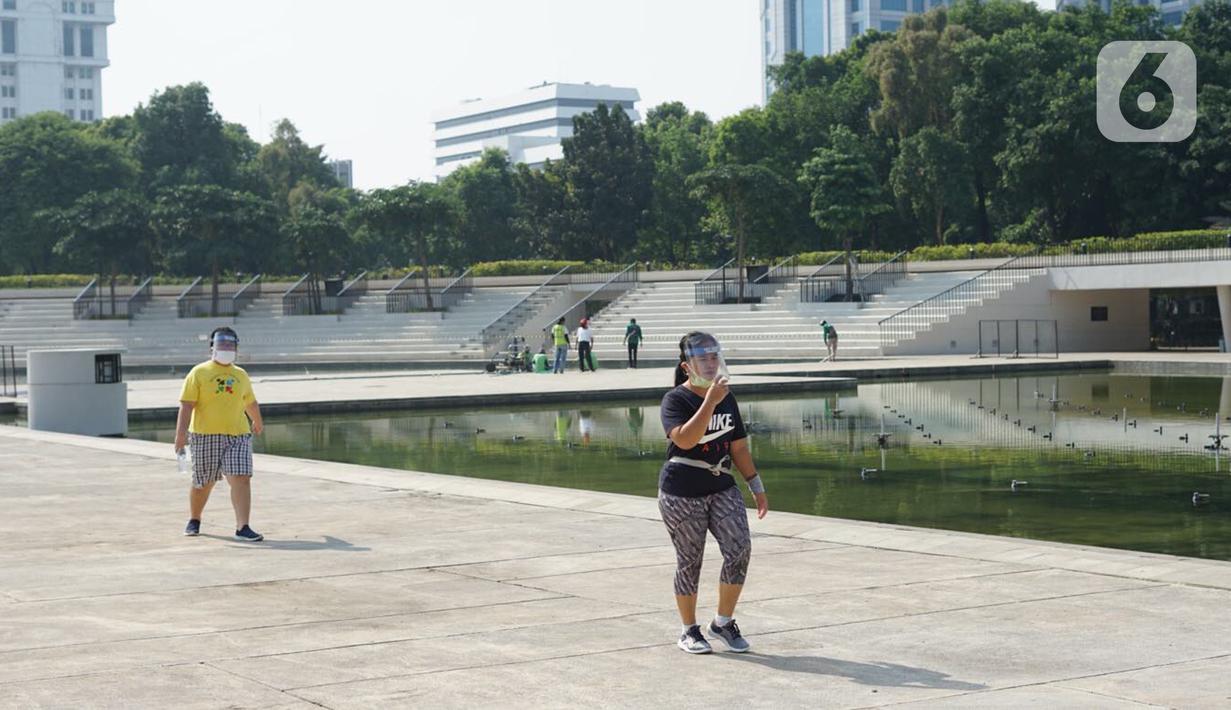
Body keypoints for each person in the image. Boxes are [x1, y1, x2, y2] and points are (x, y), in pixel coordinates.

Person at [658, 331, 768, 655]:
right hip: (682, 489)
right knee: (690, 560)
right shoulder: (676, 400)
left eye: (712, 357)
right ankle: (689, 630)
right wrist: (709, 401)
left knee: (739, 549)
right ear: (686, 366)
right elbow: (685, 440)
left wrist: (756, 485)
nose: (709, 363)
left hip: (721, 484)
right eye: (701, 359)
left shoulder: (728, 398)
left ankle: (722, 622)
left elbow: (738, 447)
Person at [174, 327, 265, 542]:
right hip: (206, 435)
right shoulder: (199, 372)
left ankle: (243, 527)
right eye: (222, 344)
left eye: (231, 345)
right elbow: (186, 405)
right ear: (212, 348)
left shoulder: (240, 374)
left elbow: (249, 401)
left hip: (238, 435)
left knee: (241, 478)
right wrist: (180, 435)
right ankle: (195, 518)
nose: (226, 349)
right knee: (203, 483)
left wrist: (258, 421)